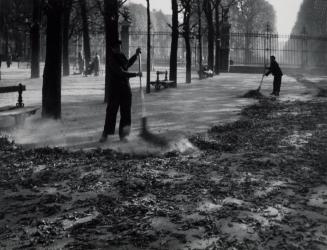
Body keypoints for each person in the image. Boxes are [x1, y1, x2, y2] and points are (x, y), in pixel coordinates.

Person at [99, 40, 142, 143]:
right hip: (115, 90)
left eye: (119, 47)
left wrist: (135, 55)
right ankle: (106, 134)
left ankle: (124, 135)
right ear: (112, 49)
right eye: (116, 47)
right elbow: (120, 72)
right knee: (111, 112)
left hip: (125, 89)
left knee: (126, 113)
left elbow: (127, 64)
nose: (119, 49)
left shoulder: (121, 55)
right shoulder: (111, 59)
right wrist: (135, 74)